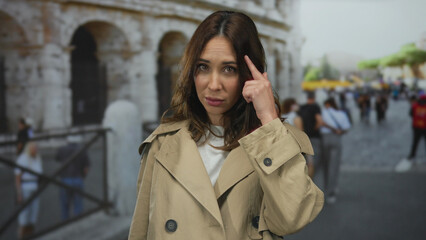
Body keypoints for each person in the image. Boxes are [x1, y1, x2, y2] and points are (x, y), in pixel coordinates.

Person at [128, 11, 323, 240]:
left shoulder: (274, 142)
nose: (213, 84)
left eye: (228, 69)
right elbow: (140, 228)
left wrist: (268, 118)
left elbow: (294, 218)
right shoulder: (163, 143)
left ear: (249, 75)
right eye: (203, 67)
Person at [320, 98, 351, 204]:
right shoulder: (341, 114)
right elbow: (346, 128)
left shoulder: (322, 113)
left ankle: (326, 187)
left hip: (324, 138)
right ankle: (331, 192)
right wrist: (339, 131)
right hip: (336, 139)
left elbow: (319, 124)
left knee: (326, 165)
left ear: (327, 104)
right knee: (334, 165)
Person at [55, 135, 90, 220]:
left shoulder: (62, 149)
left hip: (65, 179)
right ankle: (77, 225)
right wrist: (82, 177)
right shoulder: (82, 150)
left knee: (65, 206)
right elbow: (86, 168)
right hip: (78, 178)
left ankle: (64, 225)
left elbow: (57, 159)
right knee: (78, 205)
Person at [14, 142, 43, 239]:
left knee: (33, 216)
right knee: (24, 216)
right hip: (25, 189)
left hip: (34, 189)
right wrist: (19, 194)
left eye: (36, 148)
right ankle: (21, 236)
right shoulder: (23, 158)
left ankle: (30, 236)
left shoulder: (37, 158)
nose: (35, 150)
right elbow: (17, 177)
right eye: (34, 148)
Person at [395, 94, 426, 172]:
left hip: (416, 126)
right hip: (424, 127)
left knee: (415, 142)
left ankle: (412, 155)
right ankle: (412, 155)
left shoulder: (415, 106)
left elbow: (411, 114)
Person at [298, 91, 324, 177]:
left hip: (303, 137)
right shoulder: (315, 107)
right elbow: (320, 121)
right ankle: (310, 183)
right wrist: (314, 129)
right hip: (313, 137)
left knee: (305, 161)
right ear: (314, 98)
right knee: (312, 162)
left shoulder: (302, 108)